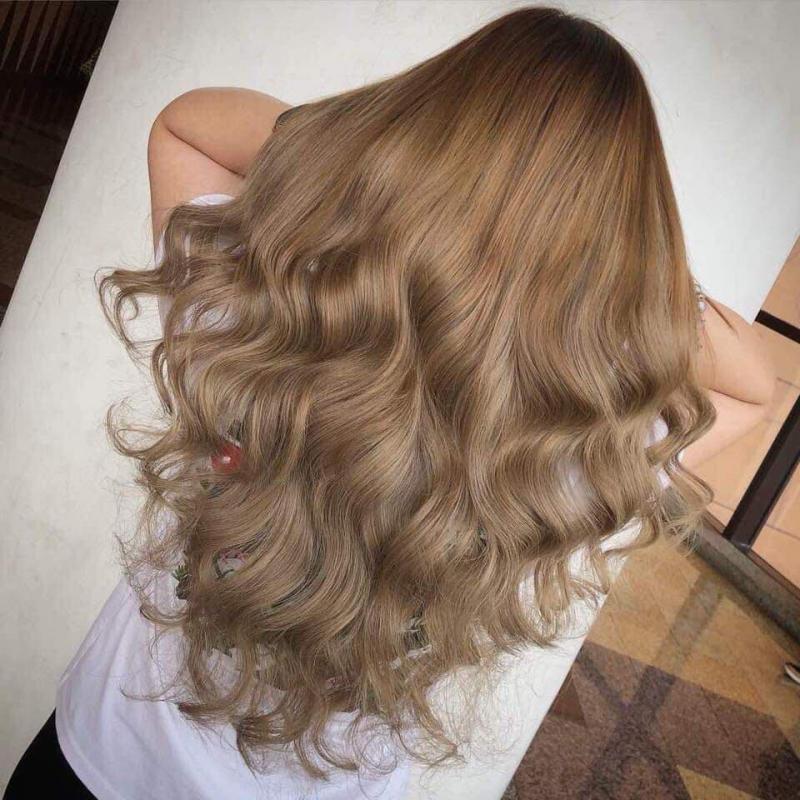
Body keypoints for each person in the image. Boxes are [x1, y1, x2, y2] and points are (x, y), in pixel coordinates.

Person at [4, 5, 777, 799]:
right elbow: (751, 386)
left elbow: (188, 126)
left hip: (99, 755)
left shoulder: (257, 310)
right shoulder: (575, 450)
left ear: (418, 135)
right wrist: (626, 282)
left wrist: (358, 157)